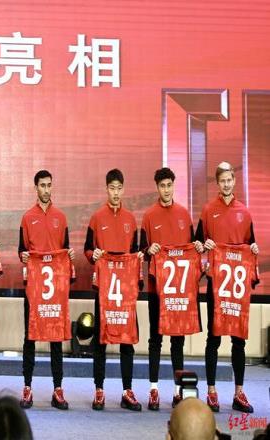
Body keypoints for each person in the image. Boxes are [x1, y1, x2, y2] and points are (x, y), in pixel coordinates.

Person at [195, 162, 259, 413]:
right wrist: (204, 245)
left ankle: (238, 393)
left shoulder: (245, 212)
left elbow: (251, 245)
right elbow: (197, 243)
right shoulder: (208, 210)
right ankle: (211, 392)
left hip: (237, 287)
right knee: (214, 338)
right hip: (216, 285)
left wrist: (253, 249)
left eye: (229, 180)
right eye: (222, 180)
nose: (226, 184)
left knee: (238, 340)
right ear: (217, 183)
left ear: (234, 180)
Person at [140, 167, 203, 410]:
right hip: (157, 290)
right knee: (155, 339)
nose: (166, 190)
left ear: (173, 185)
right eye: (162, 186)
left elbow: (192, 249)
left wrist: (198, 248)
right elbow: (141, 250)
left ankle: (178, 391)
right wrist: (149, 250)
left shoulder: (184, 214)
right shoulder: (148, 216)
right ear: (157, 187)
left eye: (169, 185)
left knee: (178, 340)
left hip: (179, 291)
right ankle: (153, 389)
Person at [84, 168, 143, 411]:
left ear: (123, 189)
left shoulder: (131, 219)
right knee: (101, 340)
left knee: (127, 340)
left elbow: (136, 252)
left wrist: (138, 258)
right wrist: (94, 254)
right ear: (106, 189)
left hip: (125, 291)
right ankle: (99, 390)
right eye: (112, 188)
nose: (116, 193)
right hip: (105, 289)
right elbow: (87, 249)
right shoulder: (97, 218)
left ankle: (127, 391)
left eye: (119, 188)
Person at [18, 169, 75, 410]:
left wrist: (69, 255)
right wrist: (23, 256)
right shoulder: (27, 217)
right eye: (42, 185)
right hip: (34, 288)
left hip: (55, 290)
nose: (46, 189)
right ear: (36, 188)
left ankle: (57, 389)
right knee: (29, 337)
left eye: (49, 185)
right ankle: (27, 387)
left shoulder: (61, 217)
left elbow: (66, 250)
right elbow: (22, 250)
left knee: (56, 338)